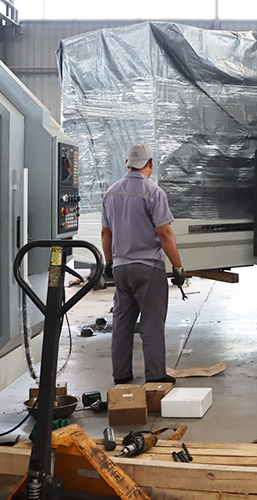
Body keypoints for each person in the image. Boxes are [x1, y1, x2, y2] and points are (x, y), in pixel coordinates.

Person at [101, 142, 185, 385]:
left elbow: (106, 233)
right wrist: (177, 266)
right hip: (148, 268)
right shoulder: (154, 193)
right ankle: (155, 376)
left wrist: (109, 263)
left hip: (121, 268)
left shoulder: (111, 193)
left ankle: (121, 375)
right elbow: (165, 233)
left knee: (122, 322)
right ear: (150, 164)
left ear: (127, 163)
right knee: (151, 323)